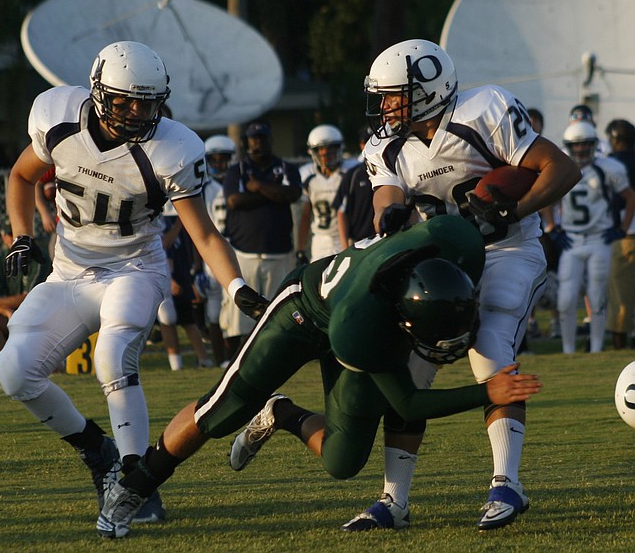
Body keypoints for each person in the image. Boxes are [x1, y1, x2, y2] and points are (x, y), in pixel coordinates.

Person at [95, 215, 544, 538]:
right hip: (305, 311)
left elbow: (442, 221)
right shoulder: (366, 330)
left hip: (358, 307)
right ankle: (134, 487)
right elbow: (407, 403)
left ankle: (285, 414)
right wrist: (487, 391)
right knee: (223, 409)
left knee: (343, 462)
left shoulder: (458, 242)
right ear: (404, 318)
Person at [0, 41, 266, 522]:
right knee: (14, 371)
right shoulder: (58, 118)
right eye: (126, 101)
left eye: (148, 101)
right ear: (100, 92)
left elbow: (203, 233)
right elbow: (20, 175)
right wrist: (20, 235)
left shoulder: (172, 148)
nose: (139, 112)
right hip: (69, 271)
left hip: (134, 269)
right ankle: (96, 451)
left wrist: (236, 288)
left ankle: (137, 482)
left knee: (111, 355)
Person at [353, 39, 580, 531]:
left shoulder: (484, 109)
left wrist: (510, 209)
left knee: (489, 337)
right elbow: (386, 196)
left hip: (508, 249)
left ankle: (507, 484)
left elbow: (562, 167)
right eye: (385, 96)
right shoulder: (385, 144)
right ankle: (394, 500)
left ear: (428, 89)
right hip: (442, 259)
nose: (387, 105)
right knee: (410, 366)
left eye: (396, 94)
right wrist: (389, 214)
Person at [553, 121, 635, 353]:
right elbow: (547, 198)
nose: (580, 150)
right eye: (576, 146)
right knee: (565, 299)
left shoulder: (609, 167)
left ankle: (596, 350)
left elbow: (630, 198)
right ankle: (568, 351)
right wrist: (552, 228)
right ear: (568, 146)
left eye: (585, 145)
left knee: (597, 297)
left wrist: (621, 228)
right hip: (572, 239)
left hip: (600, 239)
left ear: (594, 145)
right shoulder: (559, 167)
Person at [221, 120, 302, 352]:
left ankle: (278, 356)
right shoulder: (238, 170)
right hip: (245, 253)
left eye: (262, 138)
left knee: (280, 311)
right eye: (254, 139)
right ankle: (235, 359)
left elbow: (293, 194)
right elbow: (234, 200)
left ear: (270, 140)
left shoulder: (285, 167)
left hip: (279, 252)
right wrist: (273, 193)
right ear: (247, 142)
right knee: (241, 317)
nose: (258, 143)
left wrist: (257, 187)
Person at [155, 203, 213, 371]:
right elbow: (164, 244)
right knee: (167, 319)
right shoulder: (159, 219)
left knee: (187, 319)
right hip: (164, 272)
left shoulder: (173, 217)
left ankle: (203, 359)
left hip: (179, 271)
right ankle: (176, 364)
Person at [0, 220, 48, 357]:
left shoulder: (38, 258)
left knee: (48, 369)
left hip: (38, 317)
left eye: (19, 234)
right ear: (3, 237)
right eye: (11, 234)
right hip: (13, 315)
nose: (15, 239)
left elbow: (29, 299)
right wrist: (4, 310)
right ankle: (6, 365)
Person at [199, 134, 237, 365]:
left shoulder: (238, 180)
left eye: (224, 159)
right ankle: (218, 360)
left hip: (237, 250)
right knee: (213, 311)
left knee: (233, 309)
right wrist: (196, 266)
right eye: (216, 159)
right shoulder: (204, 187)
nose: (220, 164)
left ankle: (233, 359)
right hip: (211, 252)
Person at [296, 124, 357, 262]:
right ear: (313, 152)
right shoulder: (308, 175)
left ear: (339, 149)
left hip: (347, 237)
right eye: (320, 150)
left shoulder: (351, 171)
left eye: (330, 149)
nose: (325, 154)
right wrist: (300, 249)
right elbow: (306, 215)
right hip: (320, 240)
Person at [605, 119, 635, 349]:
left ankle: (618, 342)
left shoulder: (610, 164)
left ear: (614, 139)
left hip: (624, 236)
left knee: (620, 294)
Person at [335, 125, 376, 248]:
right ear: (361, 145)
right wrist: (344, 245)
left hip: (388, 239)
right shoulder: (353, 175)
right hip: (360, 242)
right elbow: (341, 213)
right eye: (366, 142)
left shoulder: (392, 169)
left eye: (373, 140)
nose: (369, 145)